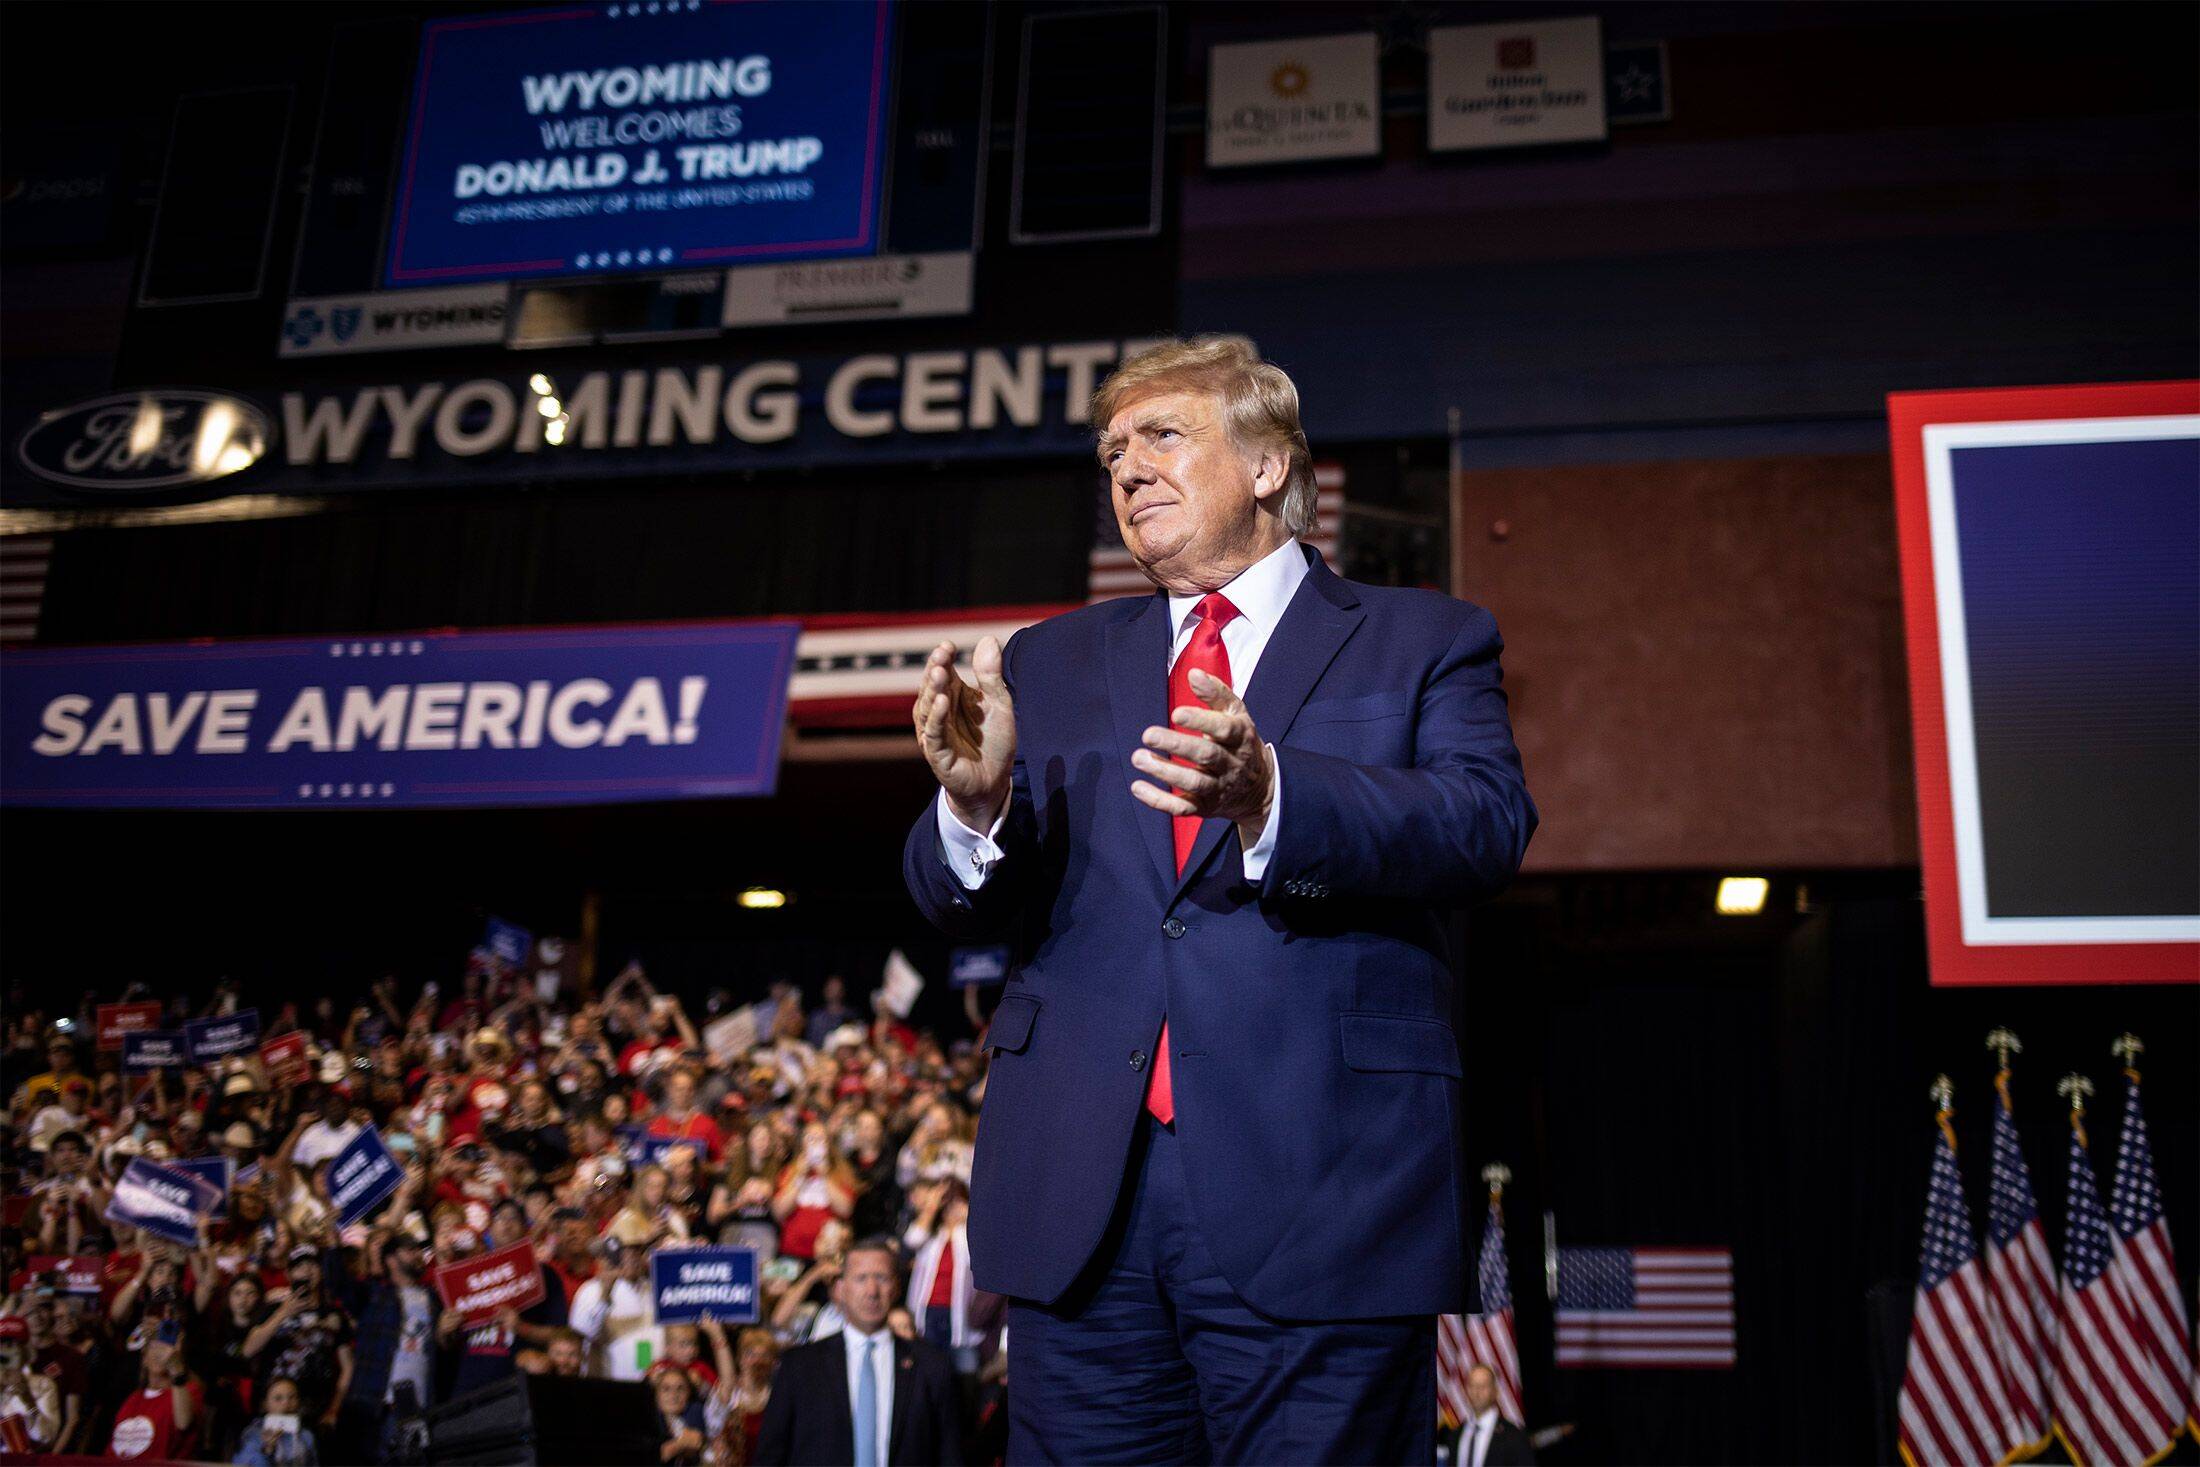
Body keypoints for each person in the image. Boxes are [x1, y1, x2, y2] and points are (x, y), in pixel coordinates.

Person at [904, 335, 1537, 1462]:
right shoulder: (1048, 662)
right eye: (1110, 452)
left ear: (1266, 464)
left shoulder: (1421, 639)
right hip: (1077, 1206)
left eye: (1161, 436)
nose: (1128, 469)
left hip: (1323, 1188)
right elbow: (960, 905)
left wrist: (1274, 795)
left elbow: (1481, 827)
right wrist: (976, 807)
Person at [752, 1238, 961, 1467]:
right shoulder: (800, 1366)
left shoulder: (931, 1365)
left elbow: (950, 1454)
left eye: (881, 1278)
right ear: (841, 1289)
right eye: (861, 1278)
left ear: (896, 1287)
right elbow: (771, 1455)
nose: (872, 1291)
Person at [232, 1375, 319, 1466]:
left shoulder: (306, 1435)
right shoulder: (252, 1434)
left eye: (292, 1397)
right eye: (278, 1398)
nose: (286, 1403)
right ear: (265, 1404)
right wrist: (267, 1449)